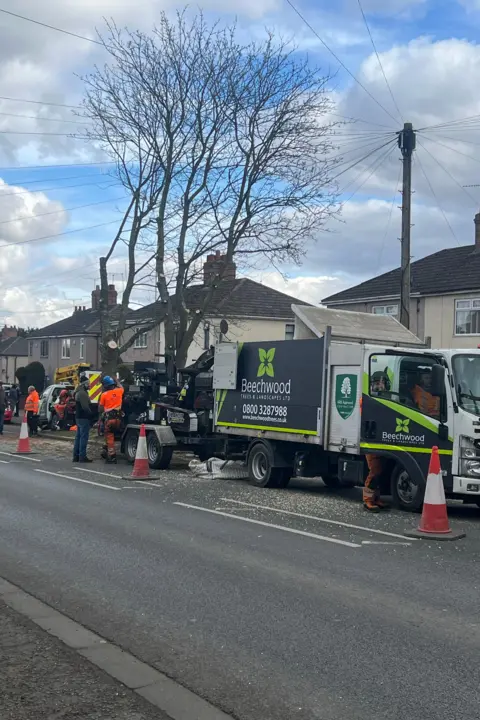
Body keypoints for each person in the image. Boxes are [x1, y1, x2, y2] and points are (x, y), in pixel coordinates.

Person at [363, 372, 390, 513]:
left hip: (381, 439)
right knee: (374, 470)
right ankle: (367, 499)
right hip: (370, 439)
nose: (380, 385)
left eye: (382, 382)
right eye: (377, 383)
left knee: (380, 471)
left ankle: (376, 498)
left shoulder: (387, 399)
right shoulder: (368, 398)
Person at [98, 376, 124, 464]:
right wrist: (116, 380)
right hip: (118, 419)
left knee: (109, 437)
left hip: (109, 419)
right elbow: (121, 386)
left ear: (105, 386)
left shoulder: (104, 395)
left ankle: (112, 456)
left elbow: (100, 409)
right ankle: (105, 449)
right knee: (110, 435)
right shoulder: (119, 391)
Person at [73, 378, 93, 463]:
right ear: (84, 384)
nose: (89, 385)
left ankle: (76, 456)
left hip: (78, 417)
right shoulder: (82, 393)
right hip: (83, 418)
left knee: (78, 437)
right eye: (88, 383)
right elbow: (85, 407)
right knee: (83, 438)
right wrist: (91, 414)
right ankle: (82, 456)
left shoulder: (78, 392)